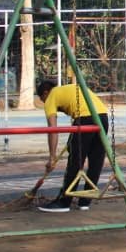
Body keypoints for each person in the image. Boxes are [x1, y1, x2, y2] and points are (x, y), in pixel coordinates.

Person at [34, 78, 110, 213]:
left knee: (75, 161)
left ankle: (64, 202)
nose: (44, 103)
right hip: (103, 117)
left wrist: (52, 157)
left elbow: (53, 129)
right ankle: (85, 202)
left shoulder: (51, 96)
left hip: (85, 119)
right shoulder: (67, 90)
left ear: (45, 93)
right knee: (96, 161)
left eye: (42, 99)